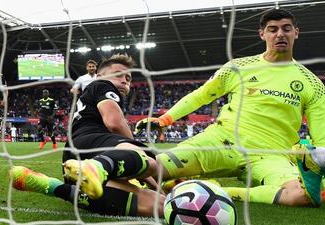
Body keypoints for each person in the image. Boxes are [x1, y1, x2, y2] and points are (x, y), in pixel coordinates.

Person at [135, 9, 325, 207]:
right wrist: (165, 119)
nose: (280, 34)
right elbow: (200, 96)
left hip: (272, 155)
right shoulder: (238, 67)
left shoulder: (313, 84)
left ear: (296, 32)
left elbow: (321, 138)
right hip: (221, 141)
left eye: (286, 29)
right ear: (262, 34)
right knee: (152, 167)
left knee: (304, 197)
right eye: (272, 29)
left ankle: (214, 191)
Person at [9, 54, 165, 217]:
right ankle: (97, 167)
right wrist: (139, 158)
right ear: (99, 76)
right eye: (118, 74)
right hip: (93, 142)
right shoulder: (103, 85)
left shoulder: (92, 95)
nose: (125, 80)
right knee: (152, 163)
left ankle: (52, 185)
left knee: (159, 205)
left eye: (128, 78)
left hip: (73, 156)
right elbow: (115, 123)